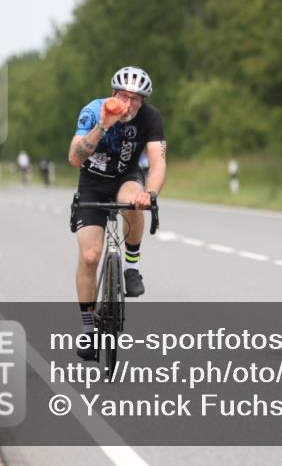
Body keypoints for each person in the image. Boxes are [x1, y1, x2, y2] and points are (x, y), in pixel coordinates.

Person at [68, 66, 166, 360]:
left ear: (143, 101)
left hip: (125, 177)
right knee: (89, 256)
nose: (129, 103)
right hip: (92, 184)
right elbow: (74, 158)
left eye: (136, 99)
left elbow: (158, 161)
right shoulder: (93, 111)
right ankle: (88, 331)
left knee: (135, 201)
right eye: (124, 96)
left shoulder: (150, 118)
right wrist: (103, 125)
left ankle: (132, 266)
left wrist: (150, 193)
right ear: (114, 94)